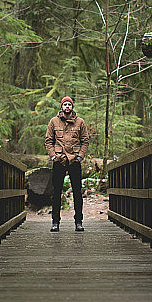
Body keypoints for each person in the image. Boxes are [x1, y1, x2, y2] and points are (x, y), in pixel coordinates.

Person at [45, 96, 89, 232]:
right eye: (65, 104)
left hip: (74, 160)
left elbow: (85, 140)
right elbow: (48, 140)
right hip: (59, 160)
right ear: (61, 107)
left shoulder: (80, 122)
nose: (67, 107)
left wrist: (80, 156)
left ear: (72, 107)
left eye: (69, 104)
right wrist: (53, 156)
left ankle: (78, 222)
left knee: (77, 192)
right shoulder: (54, 121)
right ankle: (55, 222)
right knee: (56, 192)